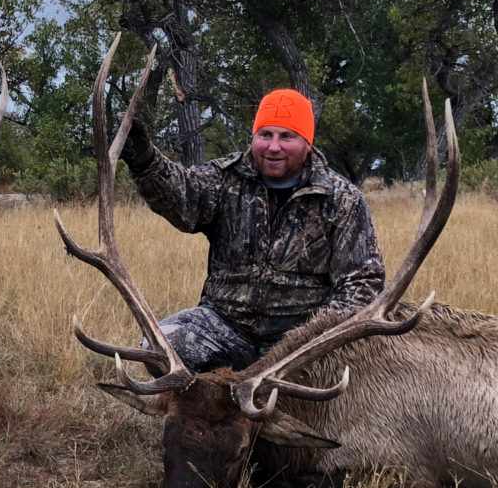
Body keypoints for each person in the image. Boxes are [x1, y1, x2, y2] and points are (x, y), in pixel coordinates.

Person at [119, 88, 385, 373]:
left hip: (300, 339)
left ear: (307, 142)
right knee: (159, 349)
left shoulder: (341, 198)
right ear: (254, 137)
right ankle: (207, 413)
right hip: (226, 327)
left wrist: (316, 335)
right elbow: (184, 196)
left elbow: (362, 282)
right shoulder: (227, 178)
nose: (273, 147)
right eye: (265, 134)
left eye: (287, 136)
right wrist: (145, 160)